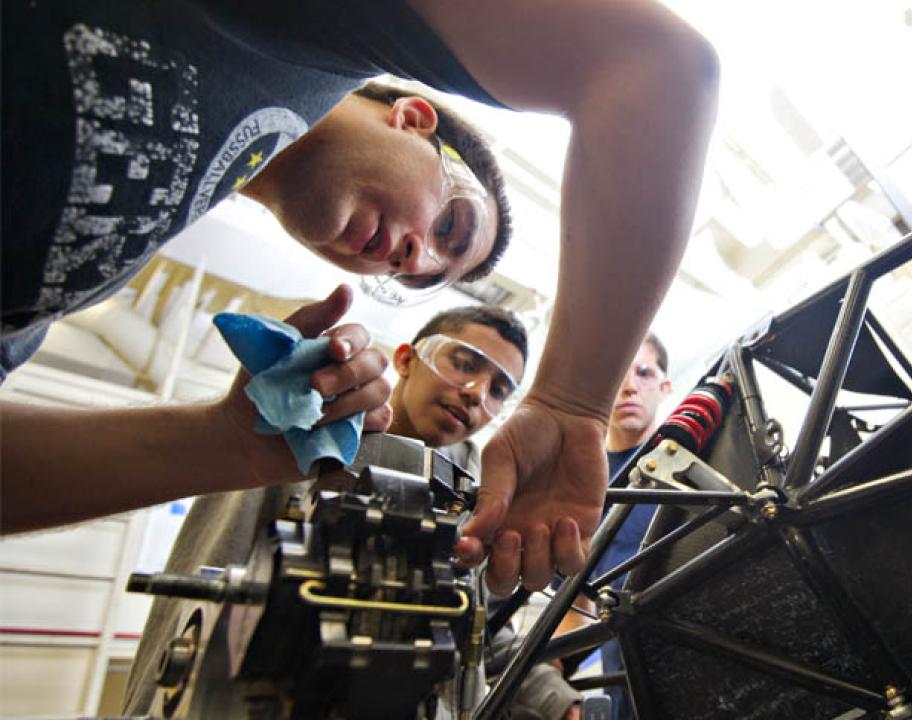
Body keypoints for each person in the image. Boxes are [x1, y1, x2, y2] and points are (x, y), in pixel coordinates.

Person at [1, 0, 721, 596]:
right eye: (451, 224)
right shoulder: (308, 36)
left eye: (422, 275)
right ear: (412, 119)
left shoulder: (123, 246)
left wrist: (225, 446)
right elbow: (656, 69)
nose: (420, 256)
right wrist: (572, 402)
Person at [124, 305, 582, 720]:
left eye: (499, 389)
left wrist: (558, 701)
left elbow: (478, 624)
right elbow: (210, 573)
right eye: (463, 364)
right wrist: (152, 706)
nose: (475, 393)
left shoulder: (480, 489)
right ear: (406, 360)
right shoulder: (313, 430)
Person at [592, 333, 673, 720]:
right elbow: (573, 600)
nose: (628, 387)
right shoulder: (581, 481)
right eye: (614, 376)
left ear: (664, 386)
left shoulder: (701, 465)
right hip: (627, 679)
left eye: (643, 373)